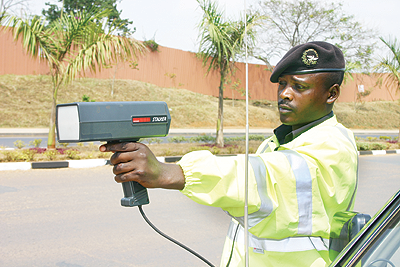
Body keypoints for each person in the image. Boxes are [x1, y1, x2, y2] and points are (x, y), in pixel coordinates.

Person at [100, 41, 358, 267]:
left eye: (299, 87)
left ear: (331, 94)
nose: (284, 94)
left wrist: (174, 173)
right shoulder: (277, 141)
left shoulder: (333, 145)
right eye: (282, 84)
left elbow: (269, 180)